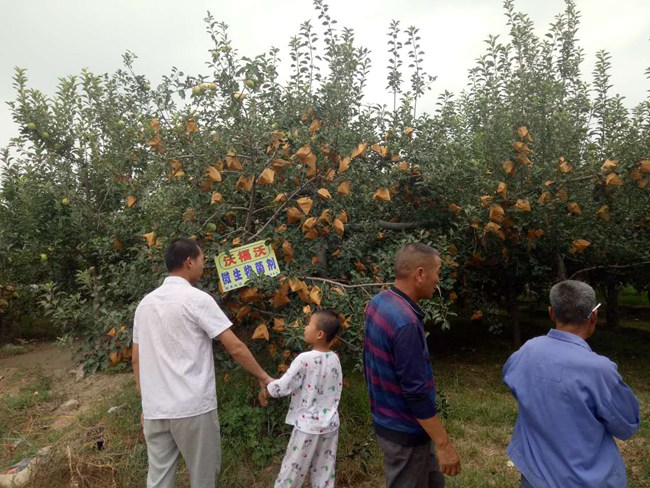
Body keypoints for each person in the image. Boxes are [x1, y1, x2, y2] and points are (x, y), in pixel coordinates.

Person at [132, 238, 273, 488]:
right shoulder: (197, 299)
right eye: (202, 260)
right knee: (203, 479)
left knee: (158, 480)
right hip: (192, 408)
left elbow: (136, 359)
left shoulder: (145, 304)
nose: (203, 265)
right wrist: (263, 376)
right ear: (189, 262)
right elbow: (236, 348)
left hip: (156, 410)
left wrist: (146, 403)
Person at [503, 280, 640, 488]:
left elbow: (513, 382)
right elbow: (627, 425)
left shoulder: (527, 351)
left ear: (551, 313)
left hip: (535, 477)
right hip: (586, 480)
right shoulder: (599, 370)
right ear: (593, 316)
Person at [363, 243, 461, 488]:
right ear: (420, 273)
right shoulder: (404, 323)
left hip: (394, 421)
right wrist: (444, 444)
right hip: (404, 432)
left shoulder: (379, 302)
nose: (438, 279)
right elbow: (415, 392)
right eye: (437, 272)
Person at [260, 309, 343, 488]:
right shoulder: (335, 358)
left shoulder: (305, 359)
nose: (305, 328)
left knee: (292, 471)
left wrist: (267, 386)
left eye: (308, 324)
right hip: (330, 424)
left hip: (307, 426)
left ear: (319, 334)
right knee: (325, 472)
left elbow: (283, 386)